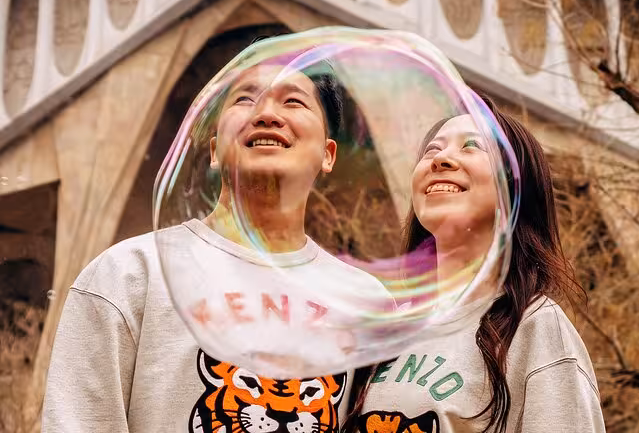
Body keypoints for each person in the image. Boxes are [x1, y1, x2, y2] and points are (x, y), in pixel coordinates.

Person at [42, 41, 388, 433]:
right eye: (245, 98)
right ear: (214, 150)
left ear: (328, 155)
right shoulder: (128, 275)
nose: (267, 113)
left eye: (293, 101)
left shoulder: (366, 301)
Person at [343, 103, 605, 433]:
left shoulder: (535, 327)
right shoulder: (386, 331)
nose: (440, 159)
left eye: (472, 145)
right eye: (431, 150)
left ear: (513, 189)